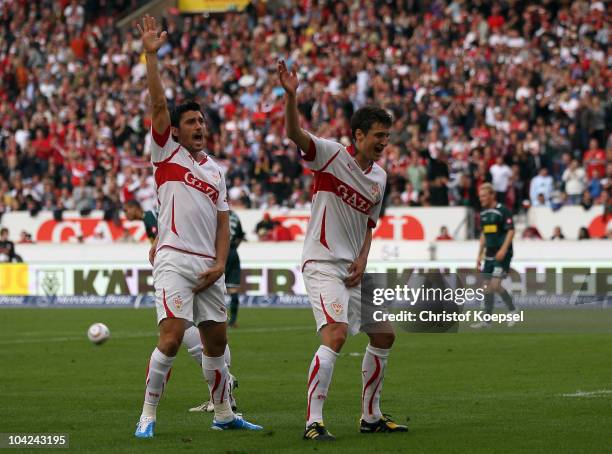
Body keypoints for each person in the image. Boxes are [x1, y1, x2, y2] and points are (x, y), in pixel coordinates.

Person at [134, 15, 261, 438]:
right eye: (191, 122)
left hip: (210, 265)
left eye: (201, 122)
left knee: (216, 344)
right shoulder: (166, 153)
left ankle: (223, 413)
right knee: (170, 339)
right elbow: (156, 106)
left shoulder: (216, 171)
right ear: (176, 129)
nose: (199, 127)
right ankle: (148, 416)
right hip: (173, 259)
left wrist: (221, 263)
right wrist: (151, 57)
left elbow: (224, 223)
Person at [278, 60, 407, 441]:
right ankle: (313, 422)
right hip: (322, 262)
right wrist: (291, 96)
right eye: (378, 136)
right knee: (335, 334)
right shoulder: (330, 155)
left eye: (387, 136)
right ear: (359, 134)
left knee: (383, 334)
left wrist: (364, 257)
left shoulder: (380, 177)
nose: (384, 143)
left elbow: (369, 223)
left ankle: (371, 417)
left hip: (353, 267)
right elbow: (293, 133)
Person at [124, 199, 239, 414]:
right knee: (206, 331)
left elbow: (165, 238)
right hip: (192, 259)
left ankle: (225, 382)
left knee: (187, 331)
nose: (125, 213)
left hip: (180, 265)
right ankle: (223, 389)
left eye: (126, 209)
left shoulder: (149, 216)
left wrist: (160, 252)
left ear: (134, 207)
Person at [472, 183, 518, 329]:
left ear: (492, 195)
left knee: (495, 285)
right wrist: (479, 255)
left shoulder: (502, 210)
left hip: (502, 254)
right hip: (489, 254)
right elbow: (484, 234)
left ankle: (513, 310)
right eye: (480, 197)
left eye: (484, 196)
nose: (481, 199)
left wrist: (503, 250)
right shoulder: (484, 213)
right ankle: (486, 320)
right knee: (486, 287)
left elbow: (511, 231)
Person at [226, 210, 245, 327]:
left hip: (217, 251)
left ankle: (206, 320)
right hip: (232, 251)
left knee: (209, 286)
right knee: (233, 288)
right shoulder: (234, 216)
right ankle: (232, 320)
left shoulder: (211, 212)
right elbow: (240, 236)